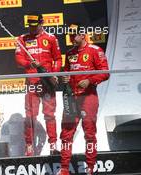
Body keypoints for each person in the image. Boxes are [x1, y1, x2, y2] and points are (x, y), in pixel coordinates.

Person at [57, 24, 110, 175]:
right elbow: (66, 73)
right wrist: (65, 78)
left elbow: (105, 73)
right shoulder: (69, 53)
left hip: (88, 97)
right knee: (66, 133)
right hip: (72, 98)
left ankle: (90, 168)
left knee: (89, 133)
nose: (72, 38)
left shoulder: (95, 50)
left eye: (74, 35)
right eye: (70, 35)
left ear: (83, 35)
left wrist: (90, 80)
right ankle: (64, 169)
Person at [15, 12, 62, 156]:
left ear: (42, 23)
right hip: (32, 83)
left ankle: (53, 146)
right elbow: (18, 60)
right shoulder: (22, 39)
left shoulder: (51, 38)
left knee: (49, 115)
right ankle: (29, 147)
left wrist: (54, 74)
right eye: (30, 25)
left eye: (35, 25)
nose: (32, 28)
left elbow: (58, 59)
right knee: (30, 116)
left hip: (47, 83)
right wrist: (30, 63)